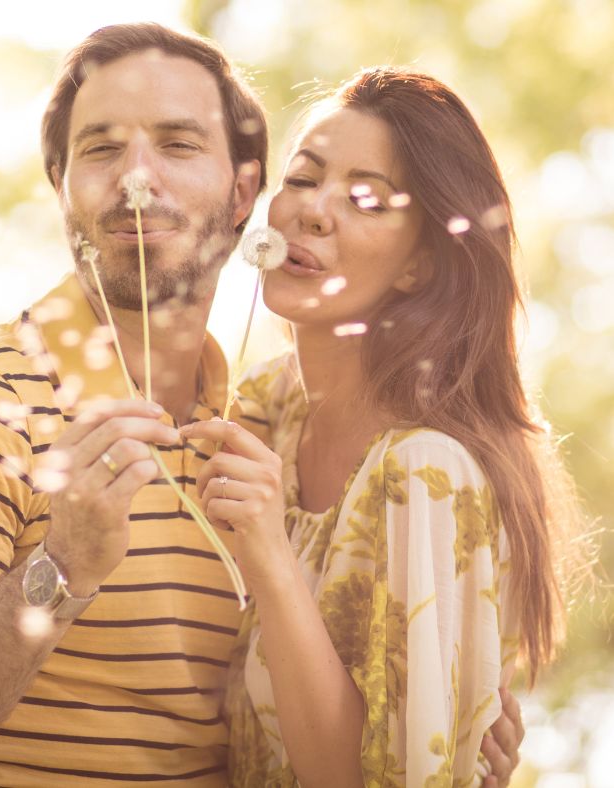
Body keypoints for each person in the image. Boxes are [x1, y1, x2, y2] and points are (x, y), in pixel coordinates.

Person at [0, 25, 524, 787]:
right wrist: (60, 570)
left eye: (178, 144)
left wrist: (438, 720)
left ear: (242, 194)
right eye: (100, 149)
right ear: (59, 185)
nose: (137, 178)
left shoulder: (262, 431)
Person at [180, 67, 580, 786]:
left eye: (366, 199)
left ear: (419, 263)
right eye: (302, 178)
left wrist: (269, 555)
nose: (313, 210)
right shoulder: (269, 409)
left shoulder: (426, 477)